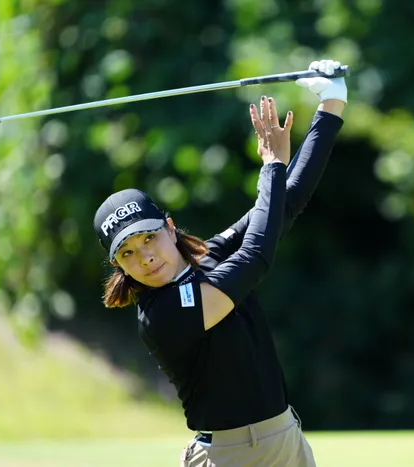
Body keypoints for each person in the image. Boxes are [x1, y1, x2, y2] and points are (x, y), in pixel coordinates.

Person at [92, 59, 347, 467]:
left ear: (170, 228)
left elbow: (285, 203)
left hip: (286, 439)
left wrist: (331, 103)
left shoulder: (208, 256)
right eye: (128, 253)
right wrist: (271, 166)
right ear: (119, 266)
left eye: (149, 238)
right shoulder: (160, 315)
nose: (146, 256)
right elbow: (255, 257)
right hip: (230, 455)